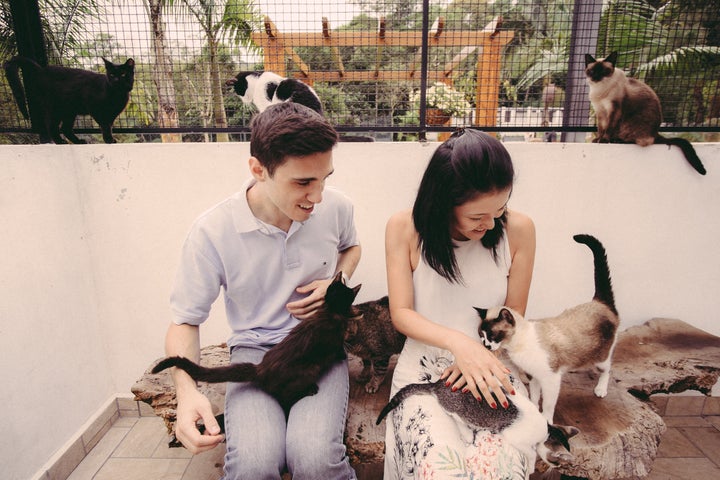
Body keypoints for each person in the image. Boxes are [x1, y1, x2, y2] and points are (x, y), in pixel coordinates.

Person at [163, 102, 361, 480]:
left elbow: (352, 248)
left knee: (316, 459)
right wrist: (187, 394)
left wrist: (337, 280)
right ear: (258, 169)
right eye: (303, 182)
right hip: (254, 352)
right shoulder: (212, 231)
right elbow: (185, 322)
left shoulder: (337, 206)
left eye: (325, 178)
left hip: (320, 352)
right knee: (253, 464)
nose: (317, 196)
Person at [383, 129, 536, 479]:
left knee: (503, 468)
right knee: (441, 470)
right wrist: (461, 344)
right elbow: (401, 313)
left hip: (492, 366)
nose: (492, 223)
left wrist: (482, 356)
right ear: (443, 203)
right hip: (423, 371)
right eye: (477, 216)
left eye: (500, 208)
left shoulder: (520, 230)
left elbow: (513, 319)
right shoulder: (405, 228)